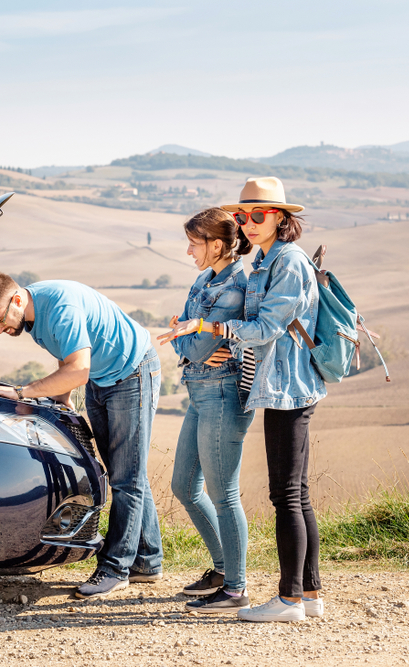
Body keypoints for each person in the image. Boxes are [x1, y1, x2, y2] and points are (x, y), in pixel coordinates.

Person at [0, 273, 163, 599]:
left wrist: (23, 392)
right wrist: (62, 397)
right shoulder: (30, 317)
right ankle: (147, 560)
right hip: (102, 379)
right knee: (124, 471)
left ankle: (115, 568)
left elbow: (78, 368)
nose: (1, 330)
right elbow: (67, 353)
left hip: (132, 373)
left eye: (1, 320)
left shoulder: (59, 307)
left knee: (126, 478)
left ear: (17, 299)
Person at [205, 176, 327, 622]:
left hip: (288, 390)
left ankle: (289, 599)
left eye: (259, 215)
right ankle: (310, 594)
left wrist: (218, 329)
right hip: (281, 386)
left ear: (280, 217)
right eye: (242, 216)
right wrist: (234, 344)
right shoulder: (266, 259)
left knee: (285, 496)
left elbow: (270, 326)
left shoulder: (288, 262)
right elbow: (261, 328)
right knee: (298, 492)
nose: (249, 223)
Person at [156, 208, 255, 614]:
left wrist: (188, 334)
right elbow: (188, 337)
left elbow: (192, 345)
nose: (188, 251)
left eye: (195, 244)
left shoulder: (234, 287)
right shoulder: (205, 280)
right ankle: (221, 570)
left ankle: (236, 588)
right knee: (183, 485)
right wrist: (189, 333)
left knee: (223, 494)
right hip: (200, 392)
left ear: (217, 245)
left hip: (222, 394)